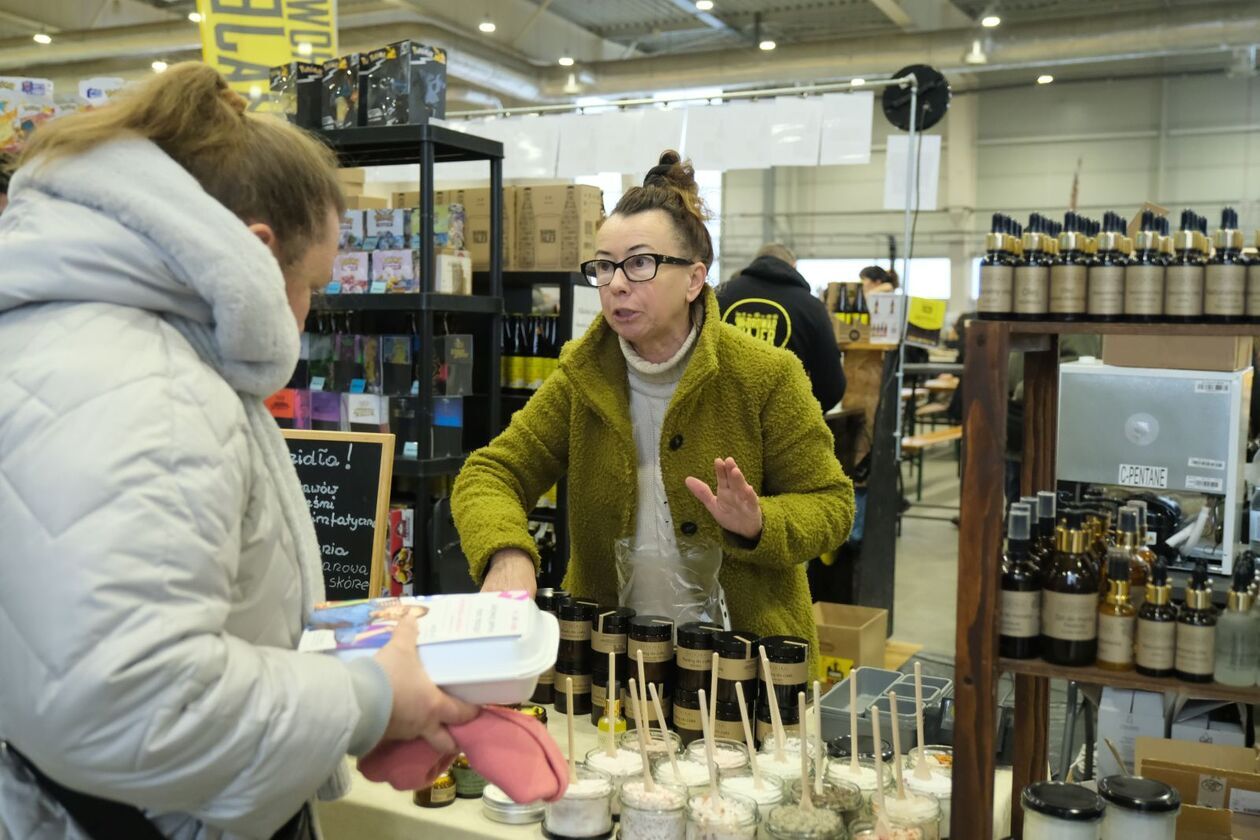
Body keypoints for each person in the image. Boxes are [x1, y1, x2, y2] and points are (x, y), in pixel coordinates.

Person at [0, 64, 475, 840]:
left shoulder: (77, 337)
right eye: (311, 283)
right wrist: (367, 697)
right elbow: (140, 703)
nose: (310, 312)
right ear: (255, 252)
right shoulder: (149, 386)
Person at [452, 150, 854, 656]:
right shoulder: (582, 374)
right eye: (604, 266)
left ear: (693, 278)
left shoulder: (765, 375)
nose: (616, 283)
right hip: (606, 658)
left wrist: (759, 523)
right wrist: (507, 551)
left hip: (750, 665)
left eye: (640, 263)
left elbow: (832, 503)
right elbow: (491, 473)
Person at [717, 243, 846, 411]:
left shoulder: (719, 295)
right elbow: (832, 387)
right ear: (794, 266)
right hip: (783, 420)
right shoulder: (811, 308)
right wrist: (800, 414)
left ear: (755, 262)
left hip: (721, 416)